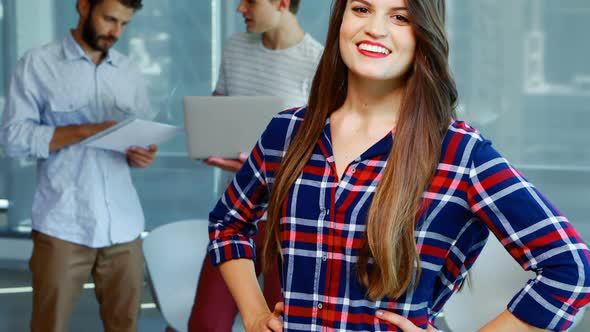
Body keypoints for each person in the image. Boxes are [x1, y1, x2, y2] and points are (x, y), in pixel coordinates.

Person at [207, 0, 590, 331]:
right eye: (361, 9)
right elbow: (228, 223)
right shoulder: (287, 132)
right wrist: (255, 313)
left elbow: (570, 270)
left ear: (423, 33)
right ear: (341, 17)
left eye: (400, 17)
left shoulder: (460, 153)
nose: (374, 29)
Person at [1, 0, 156, 331]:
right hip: (62, 224)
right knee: (49, 325)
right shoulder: (37, 64)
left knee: (125, 325)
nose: (116, 32)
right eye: (109, 19)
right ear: (83, 6)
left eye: (124, 24)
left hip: (124, 226)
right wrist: (86, 130)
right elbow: (14, 139)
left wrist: (139, 155)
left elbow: (137, 135)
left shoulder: (129, 70)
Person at [188, 0, 324, 330]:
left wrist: (260, 169)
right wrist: (210, 140)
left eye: (249, 0)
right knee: (206, 324)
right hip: (237, 214)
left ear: (282, 2)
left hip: (290, 222)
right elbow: (217, 116)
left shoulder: (319, 64)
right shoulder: (236, 48)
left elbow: (324, 158)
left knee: (282, 324)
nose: (239, 8)